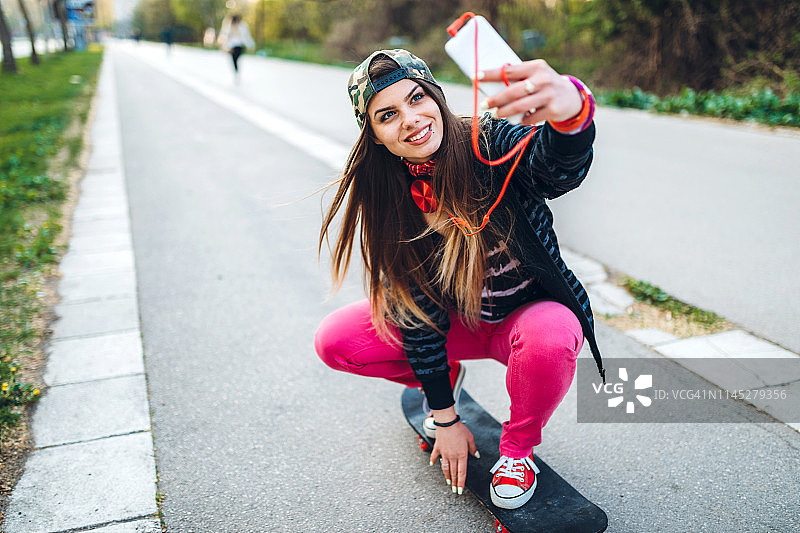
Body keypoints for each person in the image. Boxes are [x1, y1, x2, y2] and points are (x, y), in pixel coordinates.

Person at [314, 49, 604, 510]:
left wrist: (571, 116)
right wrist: (446, 418)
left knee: (553, 330)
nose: (410, 120)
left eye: (416, 99)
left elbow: (552, 166)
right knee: (337, 339)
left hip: (522, 322)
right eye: (388, 115)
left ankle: (518, 450)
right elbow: (416, 311)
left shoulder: (487, 142)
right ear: (374, 136)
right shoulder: (389, 192)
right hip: (459, 324)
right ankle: (446, 376)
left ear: (436, 94)